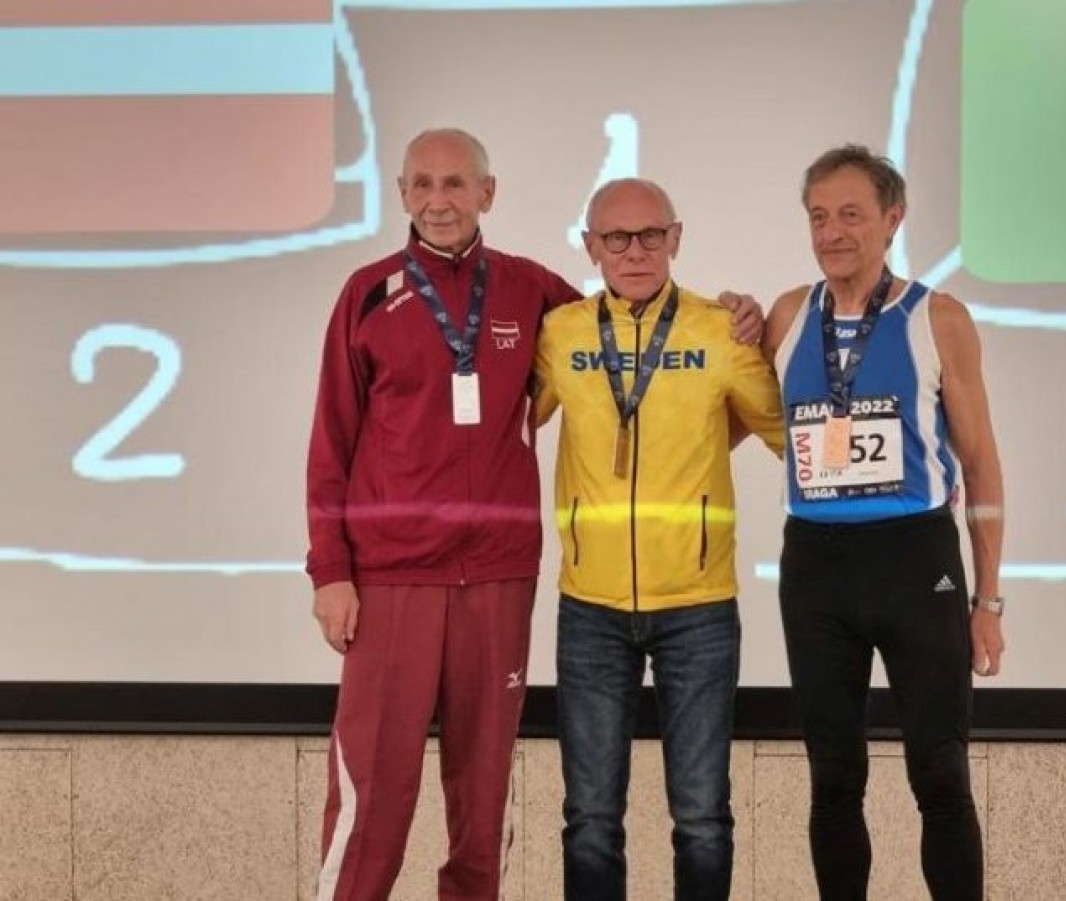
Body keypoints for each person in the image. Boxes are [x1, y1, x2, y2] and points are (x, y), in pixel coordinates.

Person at [305, 129, 763, 901]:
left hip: (499, 577)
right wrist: (330, 570)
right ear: (403, 193)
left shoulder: (533, 292)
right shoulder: (367, 293)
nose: (440, 200)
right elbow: (331, 440)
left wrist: (738, 315)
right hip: (391, 580)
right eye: (423, 184)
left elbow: (628, 325)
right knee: (374, 790)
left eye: (457, 183)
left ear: (488, 193)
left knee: (483, 799)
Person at [762, 144, 1006, 901]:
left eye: (851, 215)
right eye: (818, 217)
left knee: (940, 773)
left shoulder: (939, 317)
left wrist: (989, 599)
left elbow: (981, 464)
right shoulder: (785, 316)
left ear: (893, 218)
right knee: (834, 778)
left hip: (915, 561)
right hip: (816, 567)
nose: (832, 232)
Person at [532, 177, 785, 901]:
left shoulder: (719, 330)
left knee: (702, 818)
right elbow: (500, 425)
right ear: (591, 246)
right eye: (617, 238)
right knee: (589, 819)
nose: (635, 251)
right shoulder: (562, 333)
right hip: (589, 607)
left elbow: (789, 435)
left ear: (676, 238)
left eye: (650, 235)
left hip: (698, 609)